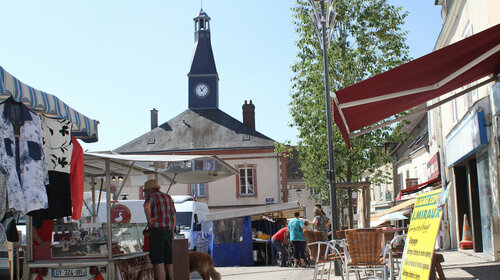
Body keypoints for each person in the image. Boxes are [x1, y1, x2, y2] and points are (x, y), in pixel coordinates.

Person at [143, 179, 177, 280]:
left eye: (145, 191)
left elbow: (146, 206)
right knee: (169, 261)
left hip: (157, 233)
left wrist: (149, 217)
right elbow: (174, 216)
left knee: (159, 262)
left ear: (149, 190)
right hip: (168, 232)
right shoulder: (168, 197)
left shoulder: (151, 196)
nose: (145, 194)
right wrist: (172, 231)